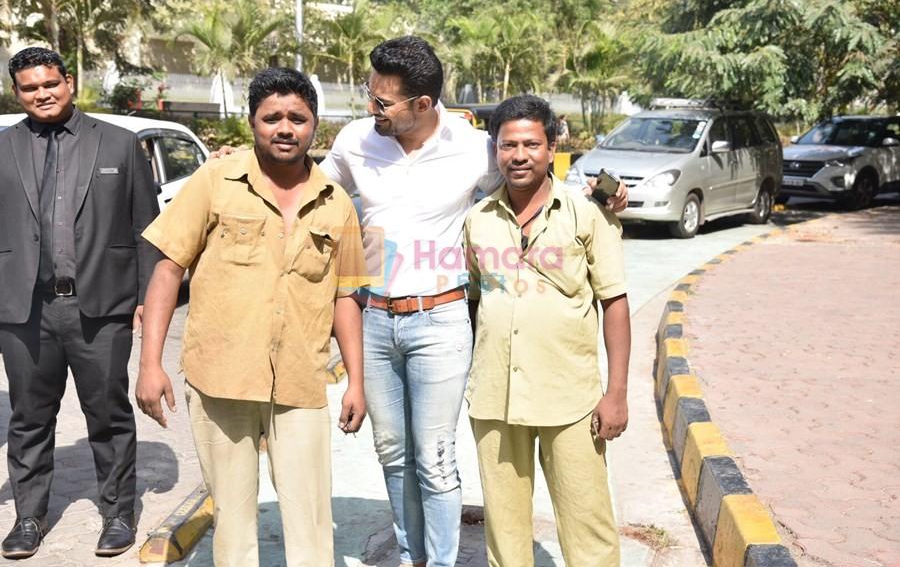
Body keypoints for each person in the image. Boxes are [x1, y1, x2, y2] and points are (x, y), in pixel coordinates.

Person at [212, 35, 628, 566]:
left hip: (442, 319)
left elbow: (535, 175)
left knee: (434, 459)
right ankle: (411, 556)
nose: (371, 108)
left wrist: (607, 194)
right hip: (376, 321)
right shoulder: (358, 140)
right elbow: (305, 182)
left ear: (423, 105)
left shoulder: (474, 146)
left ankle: (442, 560)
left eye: (383, 101)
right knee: (393, 454)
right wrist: (240, 160)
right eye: (371, 95)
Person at [134, 67, 367, 567]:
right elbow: (168, 267)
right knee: (233, 523)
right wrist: (149, 364)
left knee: (310, 519)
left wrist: (356, 382)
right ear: (252, 122)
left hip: (301, 382)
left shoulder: (338, 203)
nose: (285, 128)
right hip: (220, 376)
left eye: (298, 118)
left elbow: (347, 295)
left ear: (314, 125)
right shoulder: (215, 180)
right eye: (272, 117)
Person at [0, 47, 160, 559]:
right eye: (29, 87)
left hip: (102, 307)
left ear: (69, 82)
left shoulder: (119, 143)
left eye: (50, 83)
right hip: (23, 310)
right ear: (16, 92)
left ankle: (117, 513)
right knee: (27, 419)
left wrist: (146, 300)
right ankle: (29, 518)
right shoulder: (3, 148)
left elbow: (147, 230)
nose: (42, 94)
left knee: (108, 415)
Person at [463, 95, 631, 566]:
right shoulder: (478, 221)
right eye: (508, 145)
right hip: (497, 397)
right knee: (505, 528)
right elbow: (477, 301)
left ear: (551, 145)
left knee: (587, 524)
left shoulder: (588, 214)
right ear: (495, 149)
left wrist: (615, 392)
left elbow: (614, 302)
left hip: (570, 397)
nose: (519, 156)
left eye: (531, 144)